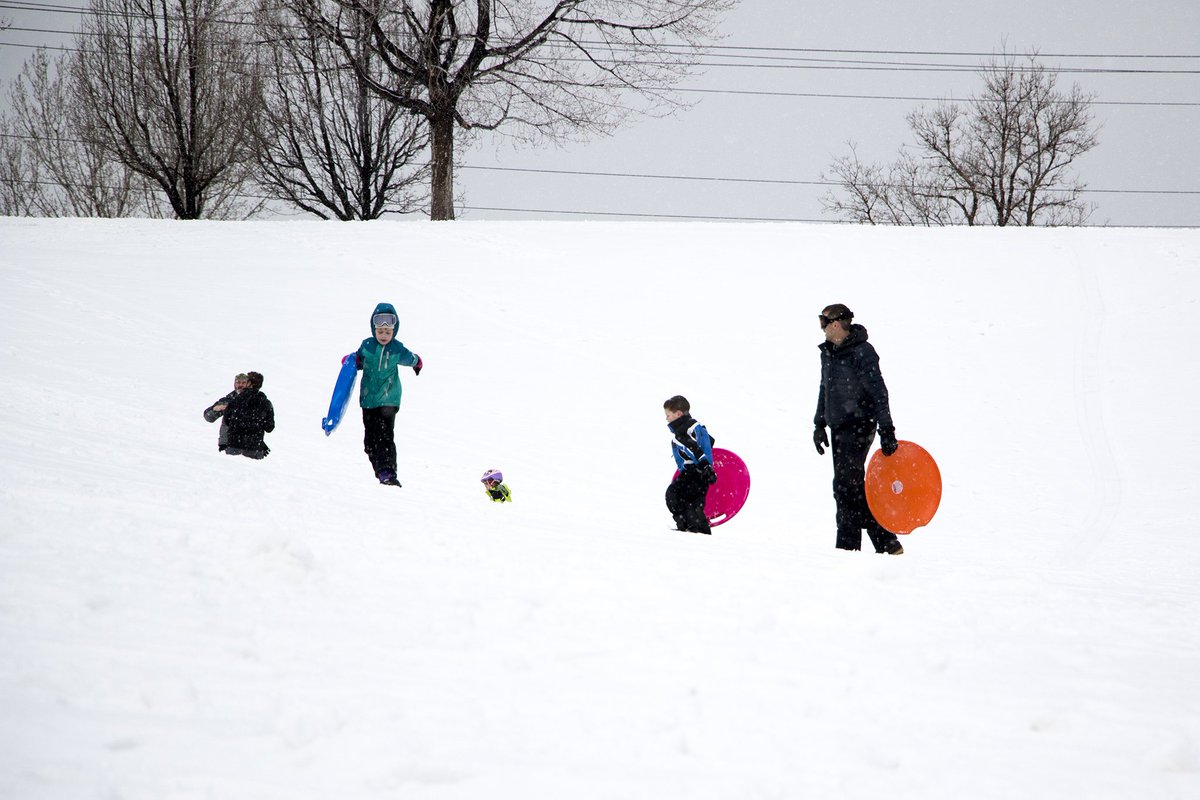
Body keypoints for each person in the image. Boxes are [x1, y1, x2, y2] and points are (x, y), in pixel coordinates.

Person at [812, 304, 904, 554]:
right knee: (849, 488)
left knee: (844, 486)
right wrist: (819, 423)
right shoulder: (828, 352)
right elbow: (824, 388)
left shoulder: (863, 352)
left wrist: (887, 429)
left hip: (859, 426)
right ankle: (884, 542)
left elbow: (878, 392)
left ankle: (848, 548)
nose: (822, 328)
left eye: (823, 322)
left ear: (835, 323)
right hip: (838, 427)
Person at [355, 302, 422, 486]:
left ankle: (388, 472)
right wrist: (351, 361)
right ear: (374, 329)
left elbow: (410, 358)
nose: (384, 335)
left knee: (384, 436)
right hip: (368, 401)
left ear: (394, 330)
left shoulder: (396, 348)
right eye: (380, 331)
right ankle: (380, 471)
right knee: (369, 442)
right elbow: (358, 359)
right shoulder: (367, 346)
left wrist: (417, 362)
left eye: (387, 332)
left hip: (388, 400)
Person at [664, 395, 717, 535]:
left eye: (668, 415)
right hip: (702, 473)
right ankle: (701, 531)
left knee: (674, 495)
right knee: (695, 503)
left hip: (693, 471)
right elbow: (709, 441)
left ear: (678, 414)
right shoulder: (696, 426)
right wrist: (707, 467)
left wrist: (704, 465)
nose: (667, 419)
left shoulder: (682, 431)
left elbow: (693, 448)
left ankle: (689, 527)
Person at [222, 371, 275, 459]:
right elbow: (269, 427)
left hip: (234, 445)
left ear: (249, 383)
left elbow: (227, 420)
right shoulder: (266, 403)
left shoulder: (235, 399)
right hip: (254, 447)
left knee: (232, 465)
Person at [203, 372, 250, 452]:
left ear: (247, 384)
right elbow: (209, 417)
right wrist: (215, 409)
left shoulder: (255, 400)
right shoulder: (228, 400)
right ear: (234, 384)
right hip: (228, 445)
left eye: (243, 383)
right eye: (238, 382)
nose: (240, 385)